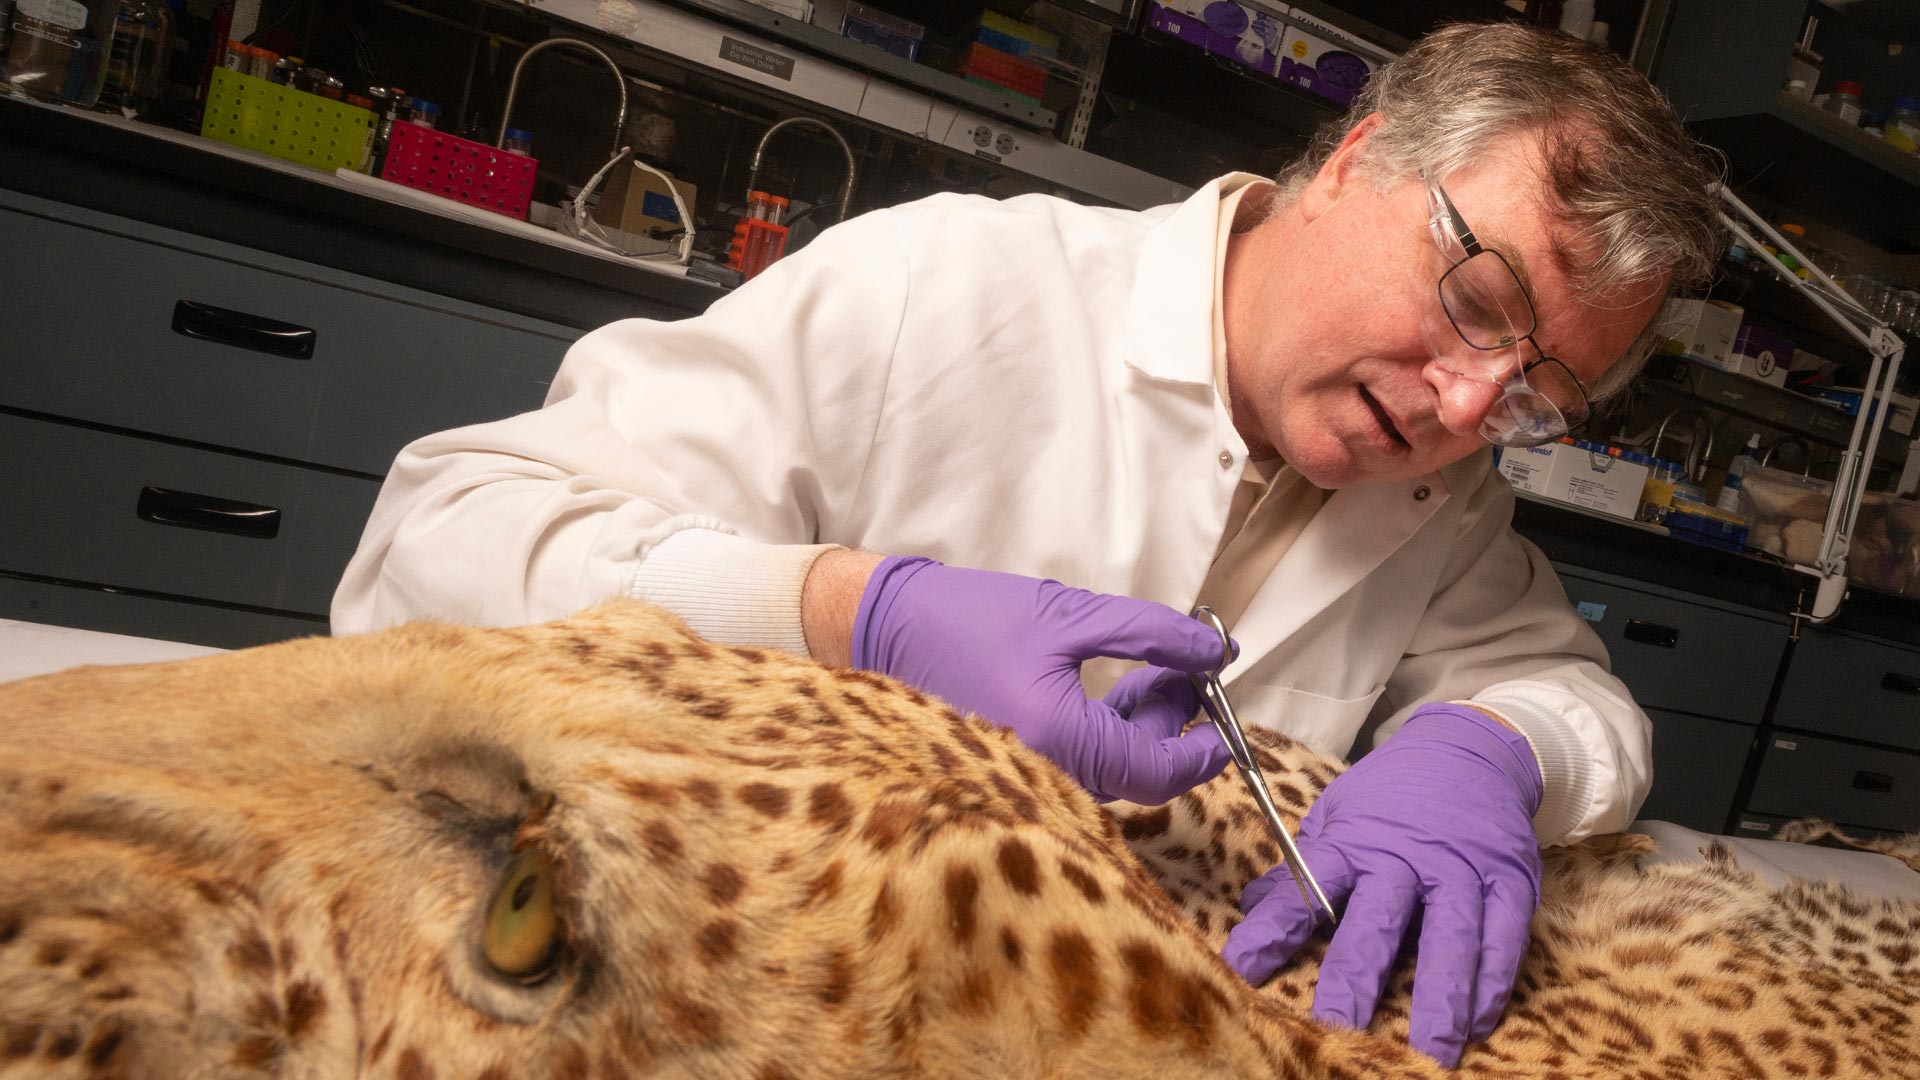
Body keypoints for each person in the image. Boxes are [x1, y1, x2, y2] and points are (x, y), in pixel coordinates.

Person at [332, 22, 1723, 1068]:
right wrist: (840, 610)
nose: (1474, 404)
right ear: (1360, 162)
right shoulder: (949, 284)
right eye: (1481, 300)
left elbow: (1575, 697)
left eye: (1543, 390)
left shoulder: (1446, 505)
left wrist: (1493, 752)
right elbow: (440, 539)